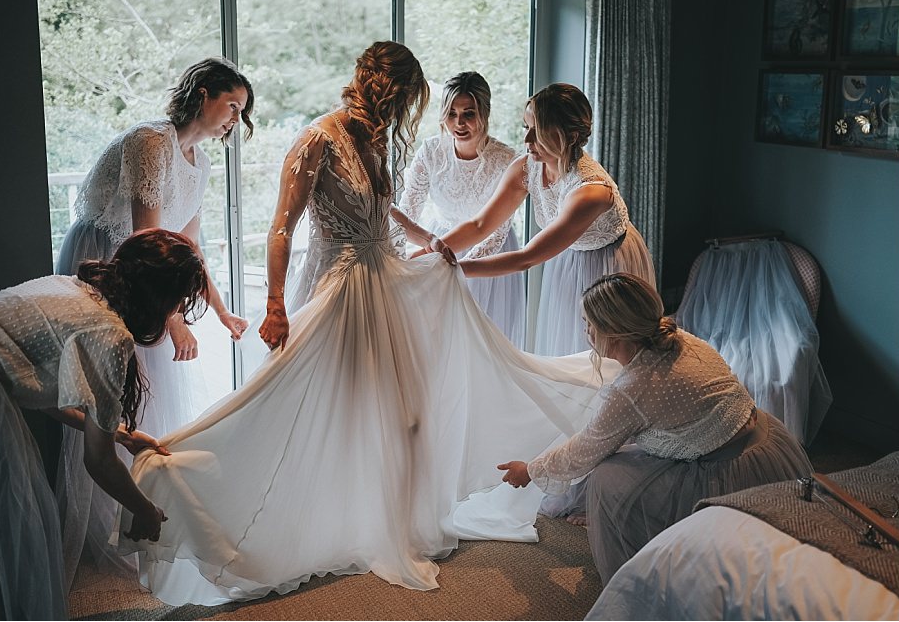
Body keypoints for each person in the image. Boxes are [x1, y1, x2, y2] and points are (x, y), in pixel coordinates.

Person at [120, 41, 619, 607]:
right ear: (384, 89)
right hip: (335, 289)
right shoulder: (318, 138)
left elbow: (387, 215)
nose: (405, 114)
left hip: (385, 284)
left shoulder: (376, 138)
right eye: (406, 99)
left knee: (401, 415)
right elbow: (281, 229)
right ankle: (184, 477)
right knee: (298, 409)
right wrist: (277, 303)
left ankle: (377, 520)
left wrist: (433, 250)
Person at [55, 57, 252, 582]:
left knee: (152, 386)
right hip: (111, 260)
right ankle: (103, 520)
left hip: (150, 266)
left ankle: (145, 507)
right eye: (232, 105)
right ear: (204, 95)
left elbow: (187, 245)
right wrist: (174, 320)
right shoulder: (150, 142)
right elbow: (145, 240)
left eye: (241, 111)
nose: (235, 118)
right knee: (110, 382)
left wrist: (220, 309)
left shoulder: (201, 162)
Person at [0, 229, 209, 621]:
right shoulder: (109, 335)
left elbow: (35, 388)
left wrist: (122, 434)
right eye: (178, 304)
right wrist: (145, 510)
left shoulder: (73, 288)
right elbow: (98, 461)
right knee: (5, 530)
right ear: (160, 298)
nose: (178, 313)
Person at [497, 273, 813, 584]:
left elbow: (584, 451)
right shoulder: (680, 338)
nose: (585, 331)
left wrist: (531, 470)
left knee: (608, 474)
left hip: (725, 472)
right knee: (635, 448)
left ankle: (636, 569)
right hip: (765, 441)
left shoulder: (633, 389)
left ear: (614, 334)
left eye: (588, 324)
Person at [429, 83, 656, 358]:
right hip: (566, 259)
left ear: (570, 135)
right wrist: (428, 250)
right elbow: (480, 225)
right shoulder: (527, 167)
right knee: (565, 347)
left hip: (608, 263)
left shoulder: (590, 191)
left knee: (604, 353)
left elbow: (526, 257)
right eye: (526, 127)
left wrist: (455, 270)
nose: (528, 140)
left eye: (540, 131)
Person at [397, 72, 526, 348]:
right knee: (440, 345)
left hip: (489, 254)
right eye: (452, 113)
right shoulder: (431, 151)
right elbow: (407, 212)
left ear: (485, 112)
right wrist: (408, 258)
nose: (459, 123)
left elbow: (494, 233)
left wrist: (462, 269)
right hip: (439, 246)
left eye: (469, 113)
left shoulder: (508, 160)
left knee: (483, 346)